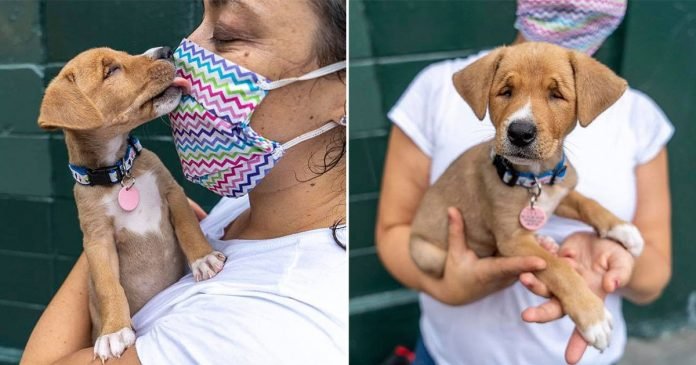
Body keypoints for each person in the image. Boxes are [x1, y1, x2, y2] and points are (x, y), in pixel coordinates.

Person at [21, 1, 346, 364]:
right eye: (200, 21)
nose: (186, 48)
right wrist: (111, 221)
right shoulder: (254, 203)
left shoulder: (255, 327)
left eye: (227, 34)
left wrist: (112, 225)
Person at [375, 1, 672, 364]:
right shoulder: (435, 89)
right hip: (452, 354)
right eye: (506, 92)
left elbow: (655, 275)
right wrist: (451, 288)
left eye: (556, 94)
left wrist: (614, 254)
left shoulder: (637, 118)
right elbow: (394, 232)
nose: (523, 121)